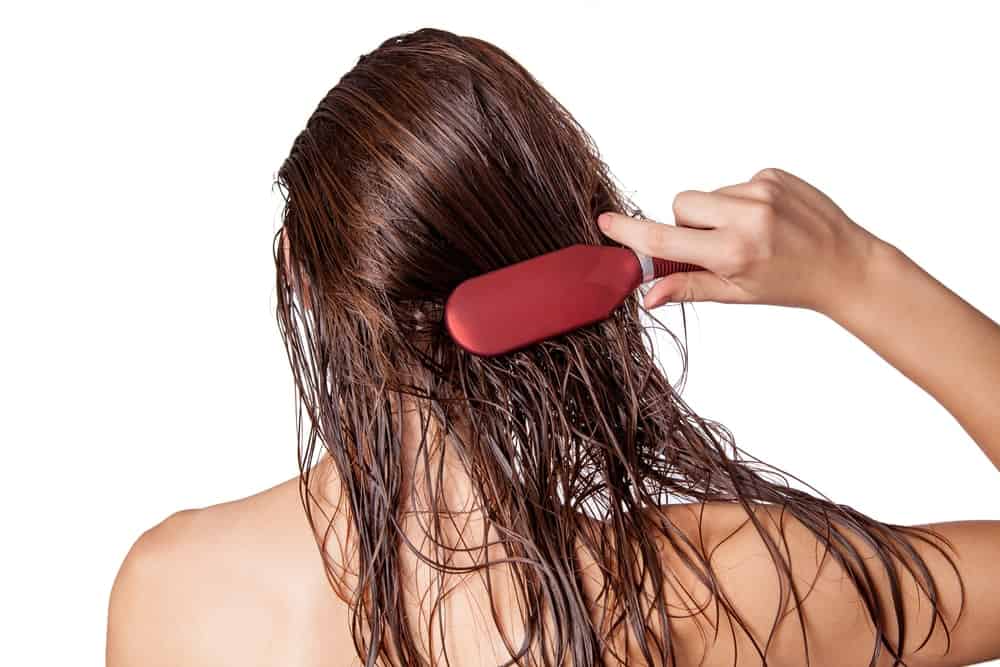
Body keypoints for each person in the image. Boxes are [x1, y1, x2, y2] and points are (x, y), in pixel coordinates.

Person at [106, 28, 1000, 667]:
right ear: (578, 266)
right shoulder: (728, 592)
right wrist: (859, 273)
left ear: (303, 276)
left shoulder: (174, 593)